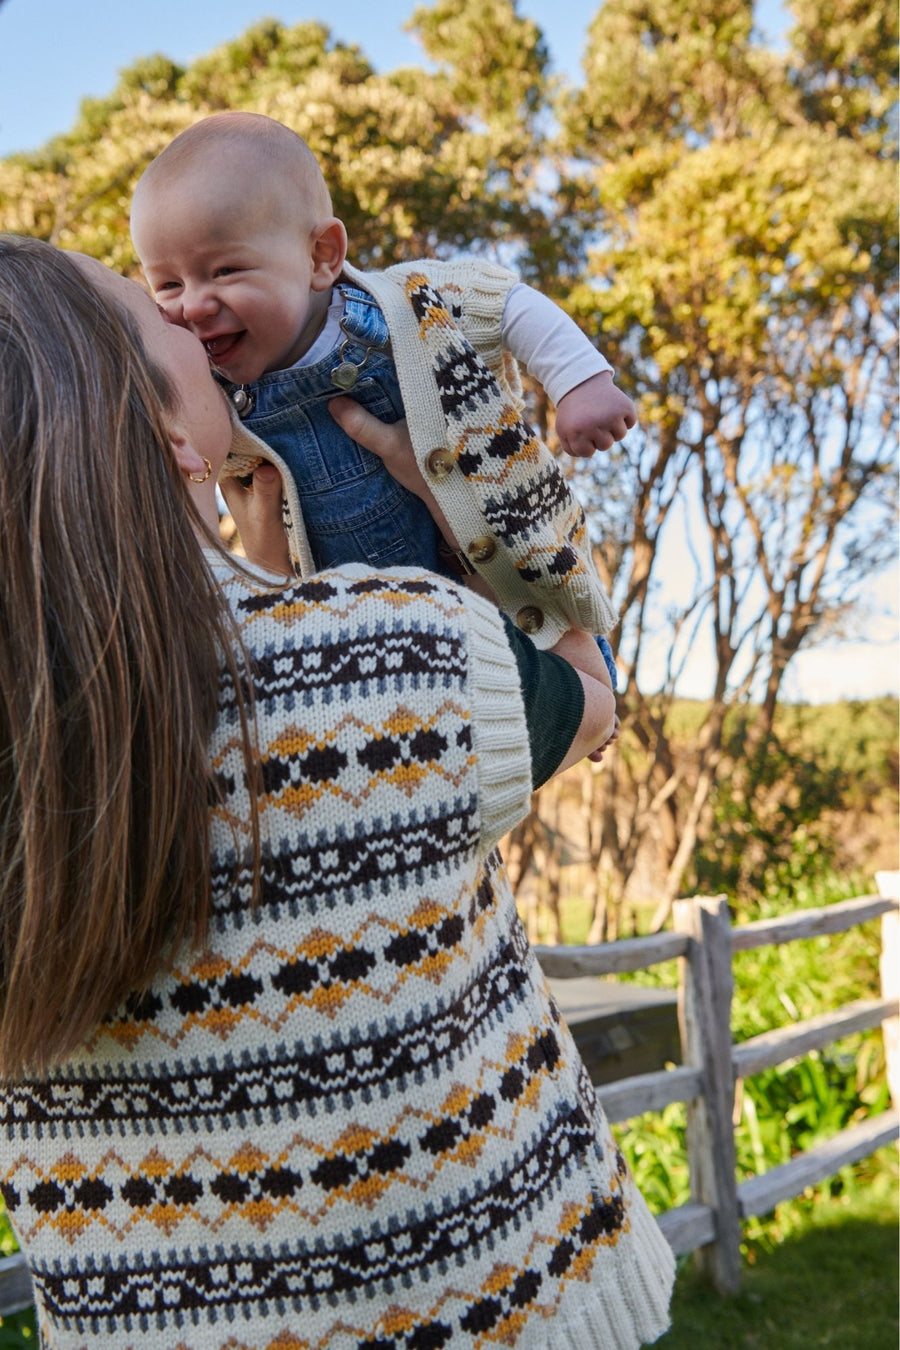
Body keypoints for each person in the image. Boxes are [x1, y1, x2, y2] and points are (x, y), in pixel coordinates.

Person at [0, 233, 674, 1347]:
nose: (197, 318)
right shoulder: (401, 654)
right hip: (502, 1307)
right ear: (172, 436)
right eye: (159, 311)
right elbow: (589, 698)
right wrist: (469, 501)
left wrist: (256, 554)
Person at [130, 111, 633, 686]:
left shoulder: (408, 305)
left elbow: (507, 302)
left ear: (322, 256)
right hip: (371, 629)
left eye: (224, 270)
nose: (193, 306)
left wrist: (581, 382)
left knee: (540, 585)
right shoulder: (215, 390)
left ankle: (586, 685)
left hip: (496, 553)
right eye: (167, 284)